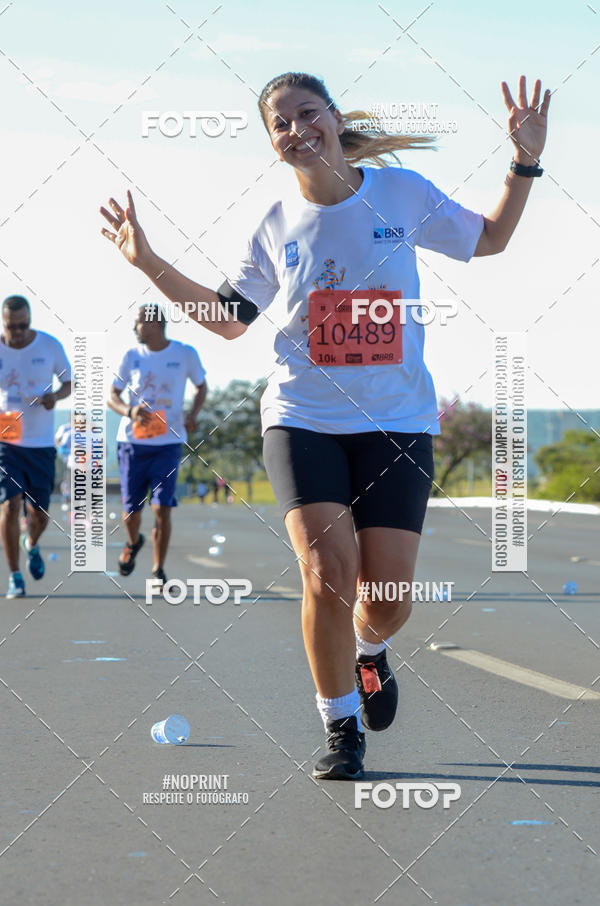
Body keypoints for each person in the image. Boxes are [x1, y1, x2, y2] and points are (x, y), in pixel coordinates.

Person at [100, 72, 550, 778]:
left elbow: (489, 240)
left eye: (306, 114)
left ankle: (370, 652)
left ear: (335, 119)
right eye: (279, 124)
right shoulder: (275, 223)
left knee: (388, 600)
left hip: (396, 421)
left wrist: (524, 162)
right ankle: (342, 729)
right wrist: (150, 262)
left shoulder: (402, 194)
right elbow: (227, 322)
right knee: (325, 573)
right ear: (273, 142)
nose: (295, 129)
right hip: (301, 416)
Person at [107, 304, 207, 589]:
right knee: (131, 513)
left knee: (162, 507)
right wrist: (128, 411)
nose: (134, 328)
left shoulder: (185, 354)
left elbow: (201, 385)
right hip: (133, 444)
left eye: (138, 322)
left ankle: (157, 569)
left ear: (154, 324)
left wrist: (193, 415)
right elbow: (111, 395)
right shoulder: (131, 356)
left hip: (169, 443)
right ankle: (133, 540)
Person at [0, 295, 72, 598]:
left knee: (39, 514)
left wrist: (55, 396)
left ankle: (31, 543)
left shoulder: (49, 345)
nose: (17, 332)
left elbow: (69, 381)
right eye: (11, 326)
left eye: (23, 325)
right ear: (4, 322)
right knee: (10, 504)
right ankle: (15, 576)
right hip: (6, 440)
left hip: (41, 444)